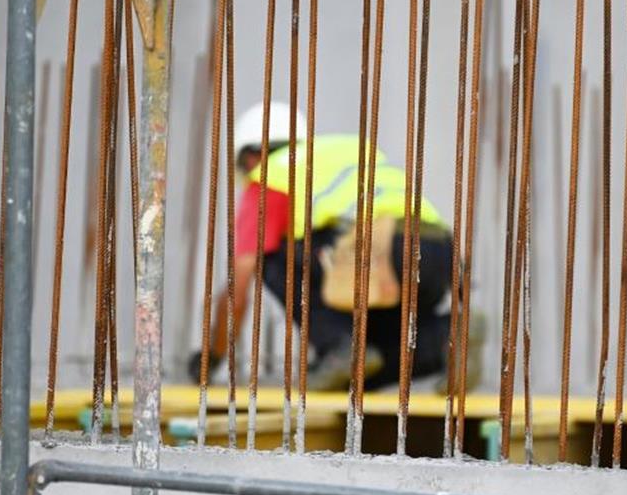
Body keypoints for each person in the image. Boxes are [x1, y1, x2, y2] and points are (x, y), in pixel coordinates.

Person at [187, 101, 475, 392]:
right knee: (364, 369)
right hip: (438, 254)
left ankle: (339, 348)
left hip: (375, 252)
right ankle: (444, 337)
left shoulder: (272, 176)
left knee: (271, 258)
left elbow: (241, 281)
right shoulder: (349, 157)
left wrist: (212, 356)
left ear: (252, 155)